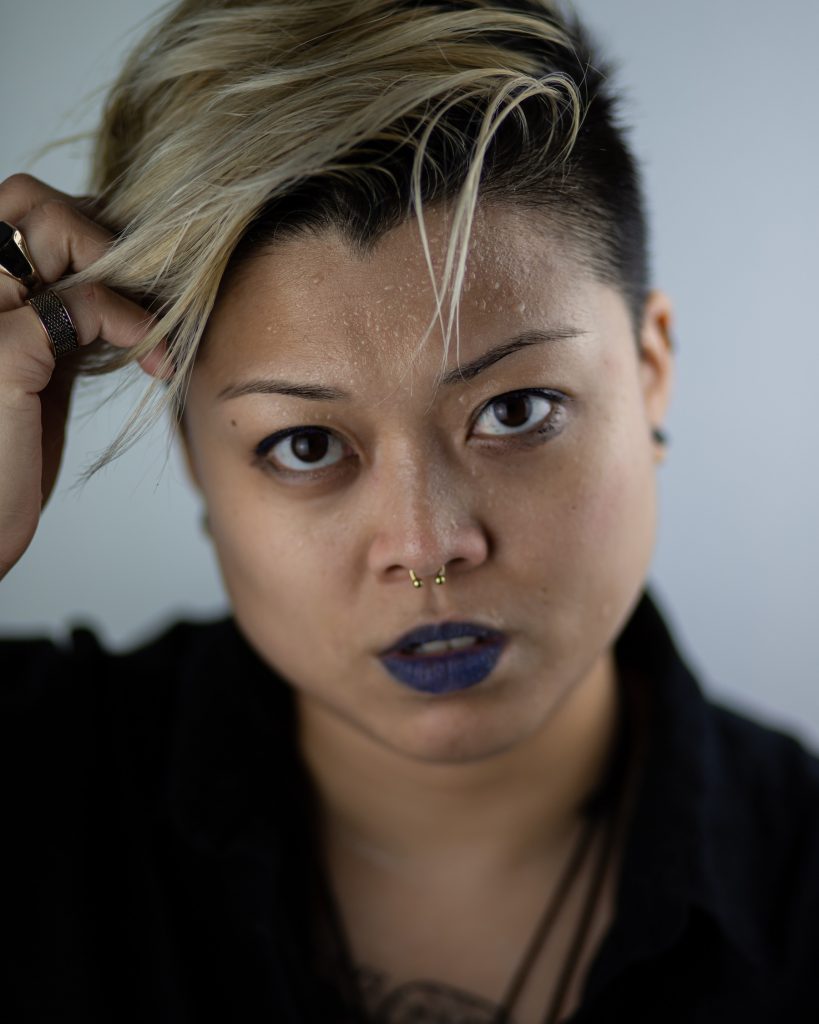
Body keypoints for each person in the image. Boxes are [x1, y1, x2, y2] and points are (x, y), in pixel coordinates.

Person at [2, 1, 818, 1021]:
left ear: (652, 372)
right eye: (305, 445)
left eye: (517, 411)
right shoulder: (33, 784)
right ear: (196, 460)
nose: (428, 549)